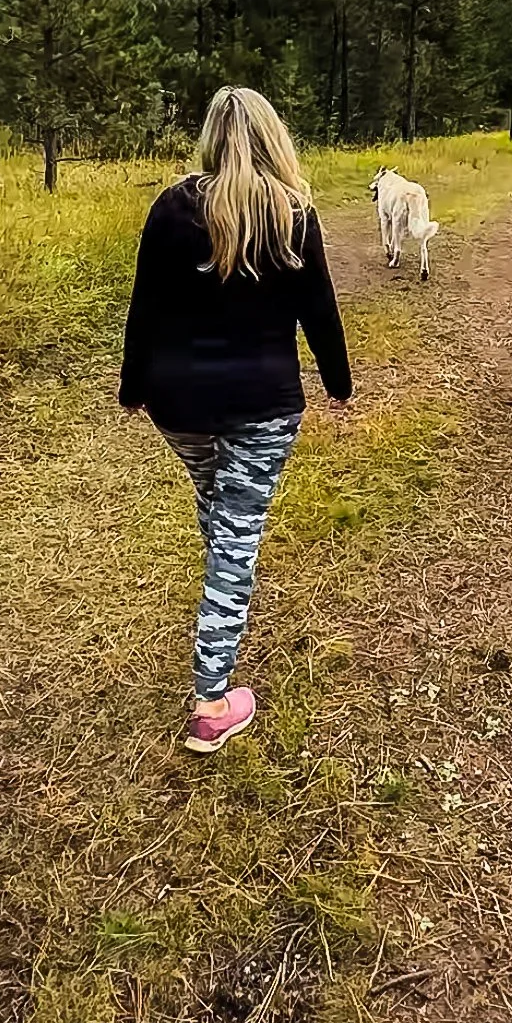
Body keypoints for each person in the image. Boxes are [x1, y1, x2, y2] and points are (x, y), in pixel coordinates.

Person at [119, 86, 352, 755]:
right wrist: (338, 385)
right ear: (274, 137)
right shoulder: (293, 213)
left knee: (219, 506)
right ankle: (212, 701)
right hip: (260, 403)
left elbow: (146, 308)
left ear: (211, 136)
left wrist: (134, 388)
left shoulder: (172, 206)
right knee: (236, 537)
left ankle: (221, 598)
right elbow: (320, 311)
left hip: (178, 404)